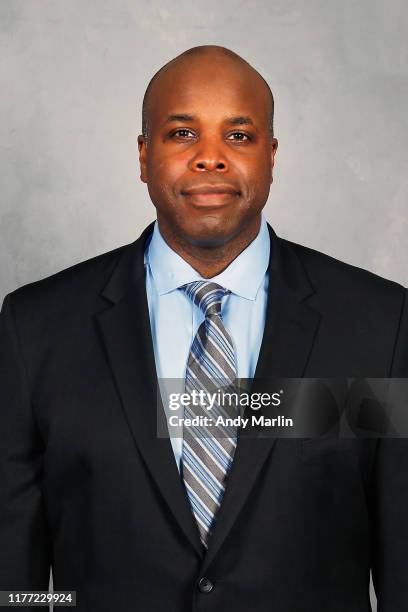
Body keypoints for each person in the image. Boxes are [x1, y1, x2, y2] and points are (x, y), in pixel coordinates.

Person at [0, 45, 407, 612]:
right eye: (182, 134)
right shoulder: (33, 330)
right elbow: (11, 582)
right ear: (143, 157)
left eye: (237, 136)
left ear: (271, 155)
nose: (210, 158)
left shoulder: (381, 326)